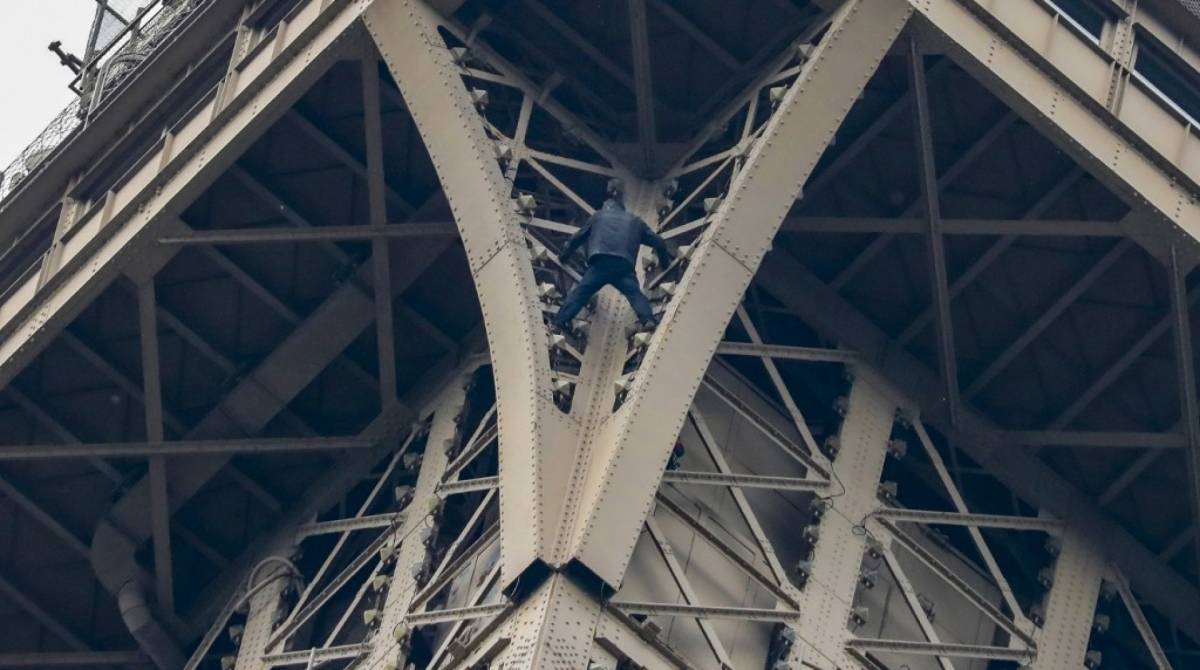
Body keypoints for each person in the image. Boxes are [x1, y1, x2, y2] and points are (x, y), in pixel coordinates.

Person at [552, 196, 673, 330]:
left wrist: (564, 256)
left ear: (607, 207)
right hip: (623, 266)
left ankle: (559, 322)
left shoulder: (598, 216)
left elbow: (577, 238)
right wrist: (664, 263)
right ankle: (648, 320)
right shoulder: (635, 221)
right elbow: (659, 242)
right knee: (635, 294)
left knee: (581, 293)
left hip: (600, 262)